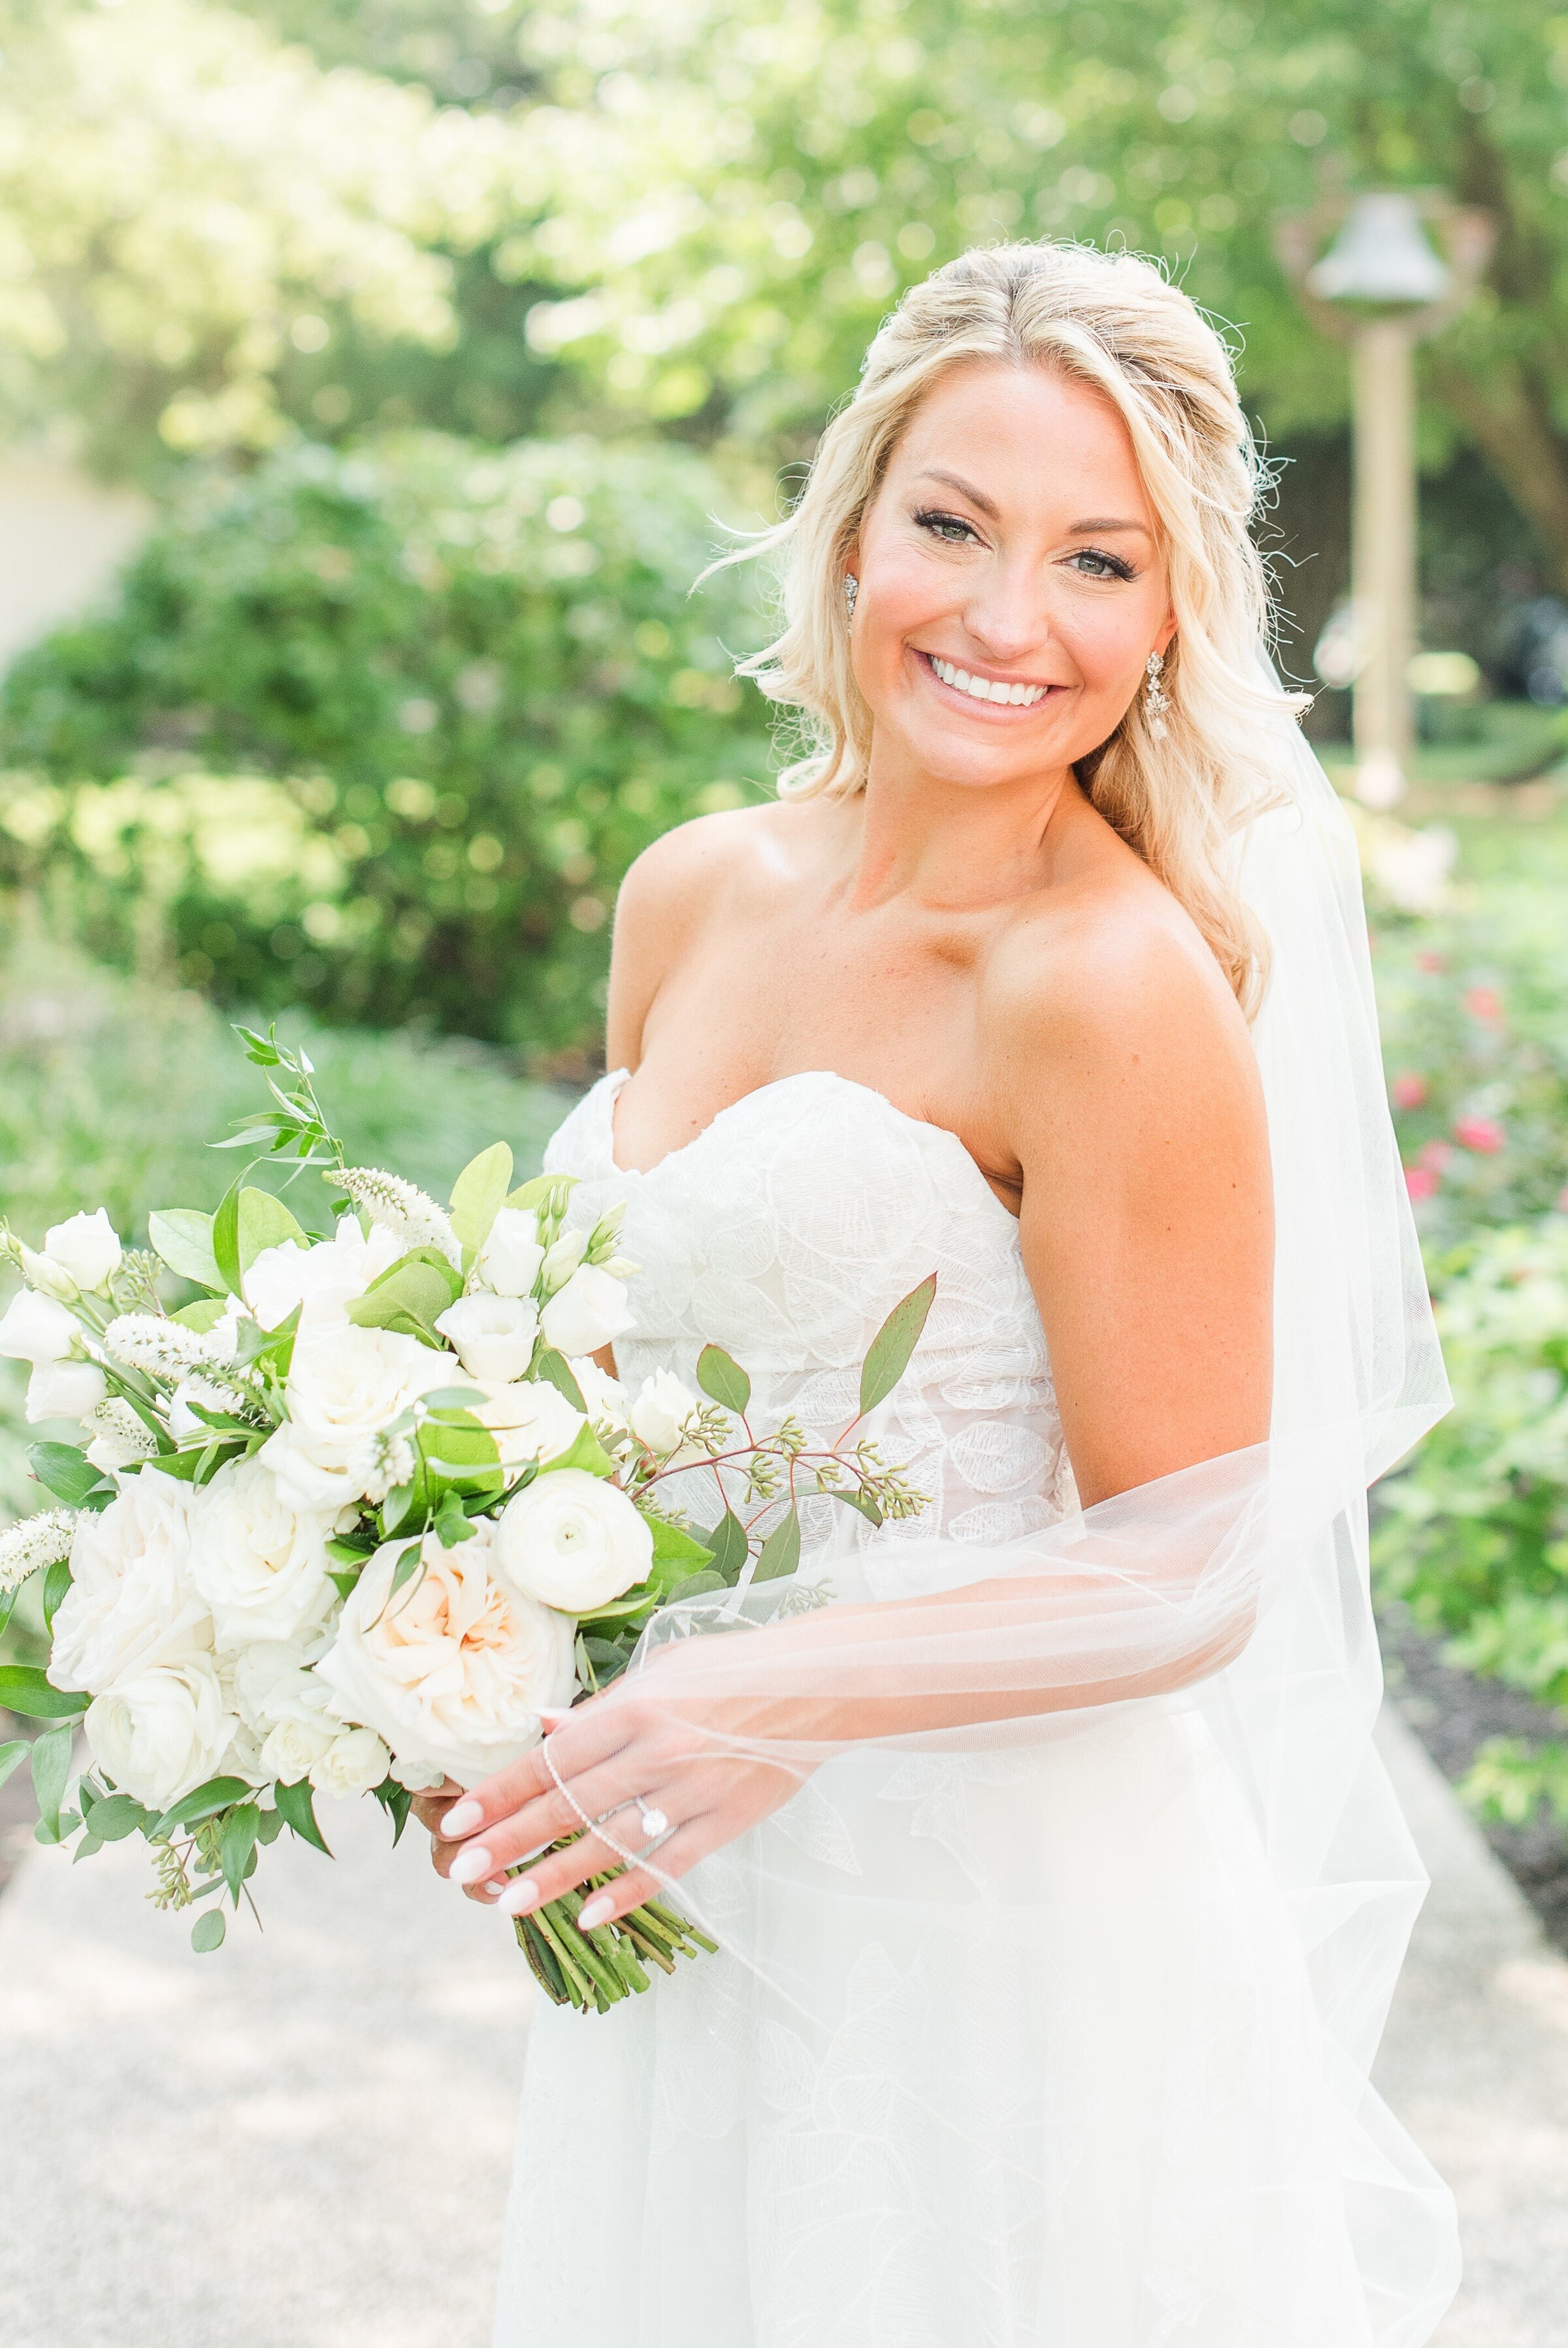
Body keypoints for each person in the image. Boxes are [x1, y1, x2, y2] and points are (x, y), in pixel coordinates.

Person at [417, 241, 1460, 2346]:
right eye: (954, 526)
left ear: (1174, 616)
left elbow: (1189, 1565)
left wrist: (765, 1691)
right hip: (689, 1872)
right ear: (854, 518)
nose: (1006, 620)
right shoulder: (693, 886)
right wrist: (434, 1609)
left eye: (1100, 559)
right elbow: (612, 1377)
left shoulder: (1104, 988)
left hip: (993, 1930)